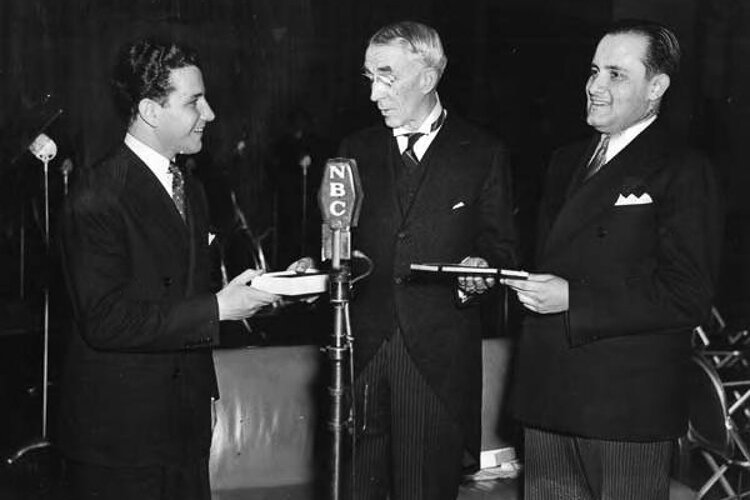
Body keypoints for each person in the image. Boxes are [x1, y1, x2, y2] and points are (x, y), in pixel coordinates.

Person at [504, 20, 722, 499]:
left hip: (624, 408)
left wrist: (573, 300)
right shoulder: (564, 161)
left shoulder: (684, 169)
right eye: (594, 70)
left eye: (616, 75)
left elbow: (688, 296)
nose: (595, 86)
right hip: (548, 395)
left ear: (657, 87)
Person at [58, 38, 281, 500]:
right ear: (150, 110)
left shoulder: (190, 187)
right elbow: (105, 320)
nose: (211, 114)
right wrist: (219, 307)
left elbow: (186, 292)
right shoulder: (96, 195)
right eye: (195, 101)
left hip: (184, 429)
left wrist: (258, 291)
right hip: (121, 441)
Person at [337, 20, 518, 500]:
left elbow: (502, 251)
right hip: (361, 356)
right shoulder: (353, 150)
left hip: (436, 362)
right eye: (369, 77)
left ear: (428, 77)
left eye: (386, 75)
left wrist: (478, 274)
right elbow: (330, 242)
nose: (374, 92)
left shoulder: (482, 152)